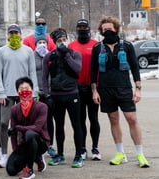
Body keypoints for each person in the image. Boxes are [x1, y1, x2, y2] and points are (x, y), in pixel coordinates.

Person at [90, 16, 149, 168]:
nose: (108, 32)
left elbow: (135, 68)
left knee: (132, 118)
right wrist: (94, 91)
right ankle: (120, 153)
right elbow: (93, 71)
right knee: (113, 119)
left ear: (116, 29)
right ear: (101, 32)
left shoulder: (127, 46)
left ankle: (140, 154)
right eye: (105, 30)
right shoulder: (97, 48)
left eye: (110, 29)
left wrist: (138, 89)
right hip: (105, 89)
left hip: (124, 88)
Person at [0, 24, 38, 168]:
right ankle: (4, 154)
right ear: (8, 34)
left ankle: (19, 153)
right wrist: (0, 91)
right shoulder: (2, 51)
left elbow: (32, 72)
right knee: (3, 122)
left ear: (20, 34)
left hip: (24, 93)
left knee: (21, 125)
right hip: (7, 93)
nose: (14, 35)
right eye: (11, 33)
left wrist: (34, 91)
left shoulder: (28, 51)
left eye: (16, 32)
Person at [42, 28, 85, 168]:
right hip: (56, 95)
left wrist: (67, 55)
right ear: (54, 42)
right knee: (59, 126)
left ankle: (79, 154)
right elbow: (44, 77)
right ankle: (60, 154)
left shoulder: (74, 54)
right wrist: (47, 94)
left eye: (64, 40)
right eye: (59, 41)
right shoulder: (49, 57)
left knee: (76, 125)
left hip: (72, 94)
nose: (62, 43)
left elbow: (77, 68)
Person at [6, 77, 49, 179]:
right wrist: (16, 151)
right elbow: (13, 133)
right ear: (17, 91)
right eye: (21, 89)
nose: (24, 91)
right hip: (25, 144)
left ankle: (29, 169)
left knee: (30, 134)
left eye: (27, 88)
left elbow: (37, 128)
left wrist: (18, 128)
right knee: (11, 170)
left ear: (32, 90)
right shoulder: (14, 109)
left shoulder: (42, 107)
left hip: (41, 142)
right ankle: (35, 158)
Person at [69, 19, 101, 160]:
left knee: (93, 118)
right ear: (77, 29)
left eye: (84, 27)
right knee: (80, 120)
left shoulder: (96, 45)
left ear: (89, 29)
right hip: (77, 88)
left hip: (93, 87)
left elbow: (100, 67)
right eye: (80, 27)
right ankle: (82, 148)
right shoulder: (71, 46)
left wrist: (99, 87)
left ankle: (95, 148)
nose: (82, 29)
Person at [34, 36, 56, 157]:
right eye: (39, 42)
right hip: (37, 92)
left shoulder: (51, 55)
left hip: (49, 92)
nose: (42, 44)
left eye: (44, 42)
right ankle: (38, 144)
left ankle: (50, 145)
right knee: (37, 120)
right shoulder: (32, 56)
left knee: (49, 120)